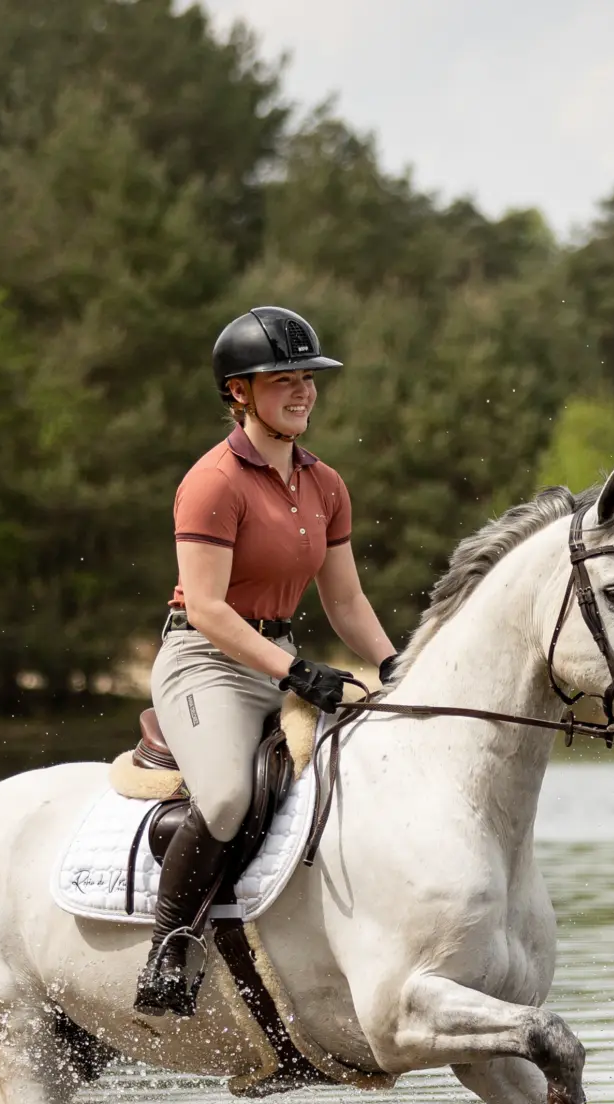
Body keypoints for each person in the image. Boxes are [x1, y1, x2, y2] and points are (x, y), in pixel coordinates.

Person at [136, 305, 402, 1016]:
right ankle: (168, 950)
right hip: (205, 661)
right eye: (282, 379)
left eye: (308, 378)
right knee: (226, 796)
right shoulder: (213, 481)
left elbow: (345, 601)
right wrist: (296, 674)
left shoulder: (326, 484)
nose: (303, 391)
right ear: (238, 392)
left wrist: (393, 662)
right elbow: (208, 608)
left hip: (278, 656)